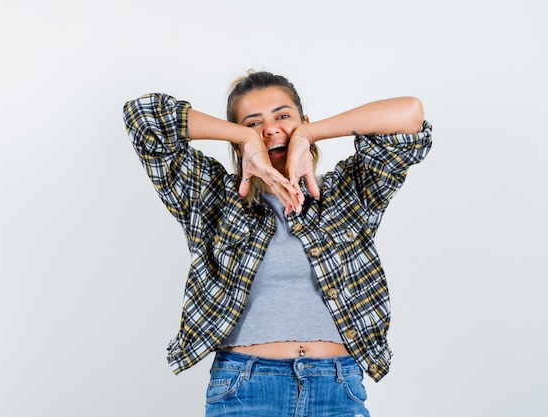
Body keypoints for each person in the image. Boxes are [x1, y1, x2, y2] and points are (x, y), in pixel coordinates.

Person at [123, 70, 432, 416]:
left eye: (283, 116)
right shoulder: (213, 198)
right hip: (246, 387)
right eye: (254, 123)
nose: (270, 129)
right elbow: (142, 116)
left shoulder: (348, 195)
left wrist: (310, 134)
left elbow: (410, 115)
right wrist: (245, 140)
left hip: (337, 386)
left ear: (303, 122)